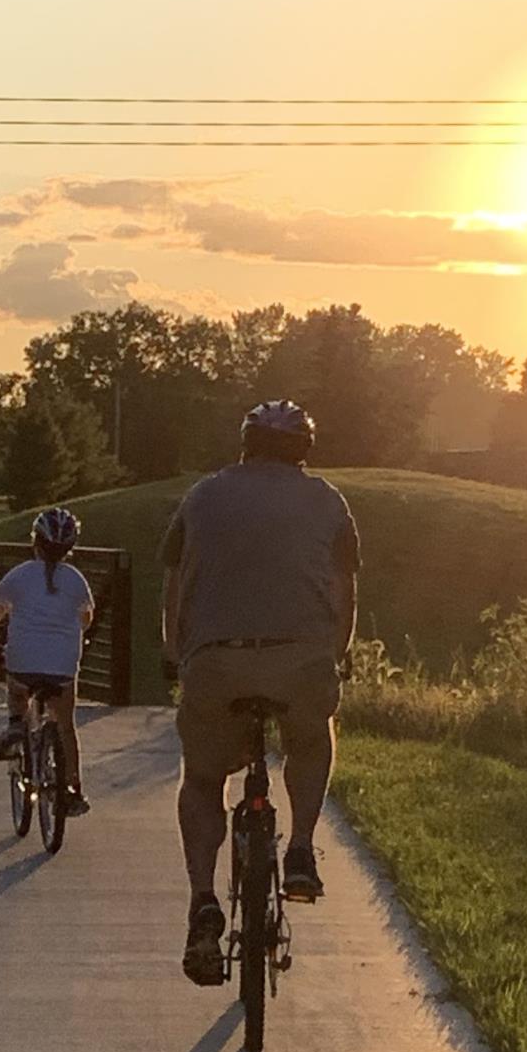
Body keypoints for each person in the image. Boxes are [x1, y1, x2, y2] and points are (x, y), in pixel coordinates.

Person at [160, 400, 360, 986]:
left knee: (202, 778)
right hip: (300, 658)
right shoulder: (328, 501)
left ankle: (202, 898)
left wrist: (178, 653)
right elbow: (344, 589)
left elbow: (172, 582)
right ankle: (299, 847)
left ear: (245, 443)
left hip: (214, 660)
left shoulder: (201, 496)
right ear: (304, 451)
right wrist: (335, 656)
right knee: (311, 738)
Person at [0, 507, 95, 816]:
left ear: (36, 542)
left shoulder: (19, 575)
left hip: (24, 659)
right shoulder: (76, 580)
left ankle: (17, 724)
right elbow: (86, 618)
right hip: (62, 665)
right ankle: (73, 789)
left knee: (18, 687)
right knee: (66, 726)